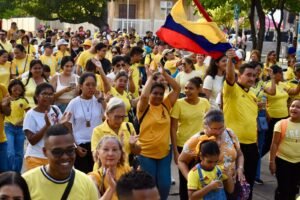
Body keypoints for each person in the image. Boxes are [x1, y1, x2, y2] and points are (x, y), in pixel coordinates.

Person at [178, 109, 245, 199]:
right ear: (205, 126)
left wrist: (240, 168)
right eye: (214, 129)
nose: (218, 132)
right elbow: (181, 161)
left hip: (230, 183)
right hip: (206, 188)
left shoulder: (230, 133)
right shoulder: (197, 139)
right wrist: (191, 179)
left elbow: (240, 154)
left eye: (221, 128)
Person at [137, 66, 180, 200]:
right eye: (155, 93)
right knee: (150, 186)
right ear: (150, 93)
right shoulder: (143, 107)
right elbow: (143, 96)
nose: (158, 96)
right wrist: (150, 77)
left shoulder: (166, 105)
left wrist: (165, 75)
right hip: (146, 154)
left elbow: (177, 88)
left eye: (161, 94)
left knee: (165, 185)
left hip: (164, 154)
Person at [23, 124, 98, 200]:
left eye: (70, 150)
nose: (65, 157)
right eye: (57, 152)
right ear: (45, 152)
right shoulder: (26, 182)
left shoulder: (87, 183)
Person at [223, 50, 258, 199]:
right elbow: (230, 77)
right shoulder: (232, 90)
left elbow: (252, 121)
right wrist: (230, 60)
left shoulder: (253, 94)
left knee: (248, 185)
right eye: (248, 75)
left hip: (251, 146)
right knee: (233, 185)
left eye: (254, 75)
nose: (252, 78)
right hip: (234, 146)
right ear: (240, 75)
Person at [171, 77, 210, 199]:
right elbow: (173, 128)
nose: (187, 91)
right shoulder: (179, 104)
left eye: (191, 88)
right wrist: (176, 152)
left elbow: (208, 124)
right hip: (184, 146)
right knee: (185, 180)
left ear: (199, 89)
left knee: (200, 178)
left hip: (201, 145)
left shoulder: (204, 102)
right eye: (186, 88)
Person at [65, 72, 104, 173]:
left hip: (98, 144)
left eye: (93, 85)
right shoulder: (74, 103)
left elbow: (109, 117)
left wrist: (103, 100)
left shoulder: (98, 101)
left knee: (99, 175)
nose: (91, 87)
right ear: (81, 86)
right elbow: (67, 126)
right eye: (87, 85)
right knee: (84, 177)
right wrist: (75, 146)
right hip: (80, 146)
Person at [262, 64, 300, 158]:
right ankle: (256, 160)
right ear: (273, 74)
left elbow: (294, 91)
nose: (282, 74)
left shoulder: (283, 84)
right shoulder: (266, 85)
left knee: (281, 142)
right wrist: (266, 114)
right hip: (272, 118)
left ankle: (277, 161)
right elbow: (262, 102)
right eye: (280, 73)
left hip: (284, 118)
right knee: (267, 143)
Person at [23, 83, 62, 171]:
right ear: (37, 96)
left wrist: (64, 124)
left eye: (51, 94)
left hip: (54, 158)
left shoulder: (55, 109)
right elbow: (32, 140)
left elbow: (61, 131)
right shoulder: (31, 114)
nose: (48, 96)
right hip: (35, 158)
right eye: (44, 94)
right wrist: (46, 126)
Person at [92, 97, 140, 163]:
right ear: (108, 114)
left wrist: (132, 145)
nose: (120, 120)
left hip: (125, 171)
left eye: (123, 117)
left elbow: (138, 152)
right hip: (105, 171)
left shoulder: (129, 126)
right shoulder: (98, 131)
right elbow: (96, 158)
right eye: (117, 117)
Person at [269, 99, 300, 200]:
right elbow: (274, 144)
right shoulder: (281, 124)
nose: (294, 108)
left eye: (298, 107)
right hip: (283, 161)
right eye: (292, 106)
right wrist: (272, 161)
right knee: (283, 189)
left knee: (293, 189)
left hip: (298, 163)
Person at [4, 80, 30, 172]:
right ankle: (10, 172)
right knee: (10, 152)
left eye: (19, 90)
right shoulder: (6, 99)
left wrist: (23, 120)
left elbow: (29, 113)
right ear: (10, 89)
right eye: (14, 90)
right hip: (8, 127)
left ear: (22, 90)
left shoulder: (24, 100)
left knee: (19, 153)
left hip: (20, 129)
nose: (17, 92)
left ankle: (17, 173)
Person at [0, 83, 11, 172]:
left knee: (3, 172)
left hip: (1, 139)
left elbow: (8, 112)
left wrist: (3, 106)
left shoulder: (2, 87)